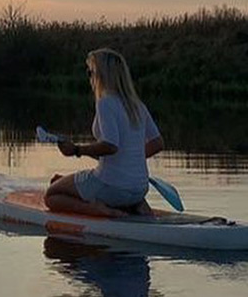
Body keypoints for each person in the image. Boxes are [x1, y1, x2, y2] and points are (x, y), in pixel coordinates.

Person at [44, 48, 164, 218]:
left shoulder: (105, 102)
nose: (90, 77)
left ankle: (99, 209)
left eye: (91, 72)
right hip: (139, 188)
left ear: (101, 74)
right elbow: (158, 143)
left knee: (52, 195)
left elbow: (110, 146)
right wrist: (130, 160)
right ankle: (134, 206)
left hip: (112, 185)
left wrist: (77, 150)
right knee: (58, 180)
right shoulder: (137, 105)